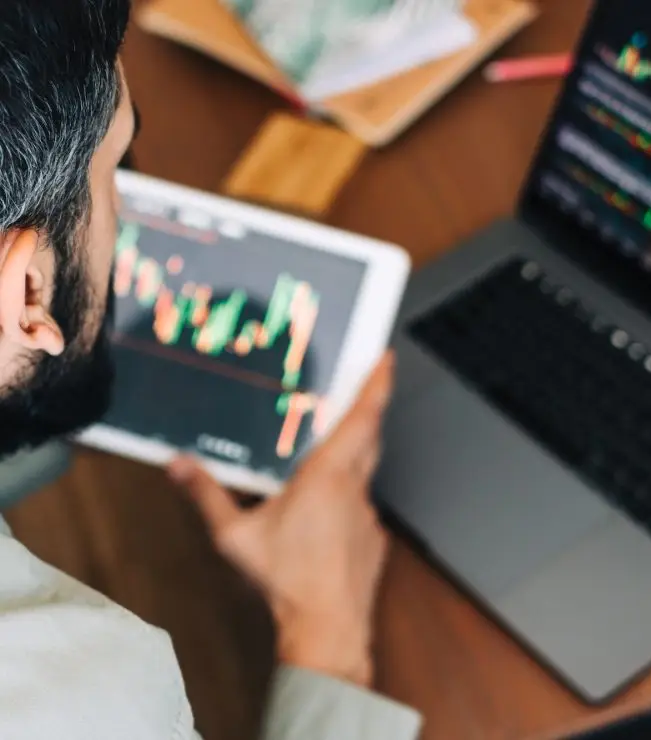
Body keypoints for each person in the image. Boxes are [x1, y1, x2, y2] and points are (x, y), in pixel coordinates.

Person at [0, 2, 422, 739]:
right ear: (29, 292)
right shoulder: (88, 693)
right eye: (116, 168)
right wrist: (325, 635)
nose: (125, 214)